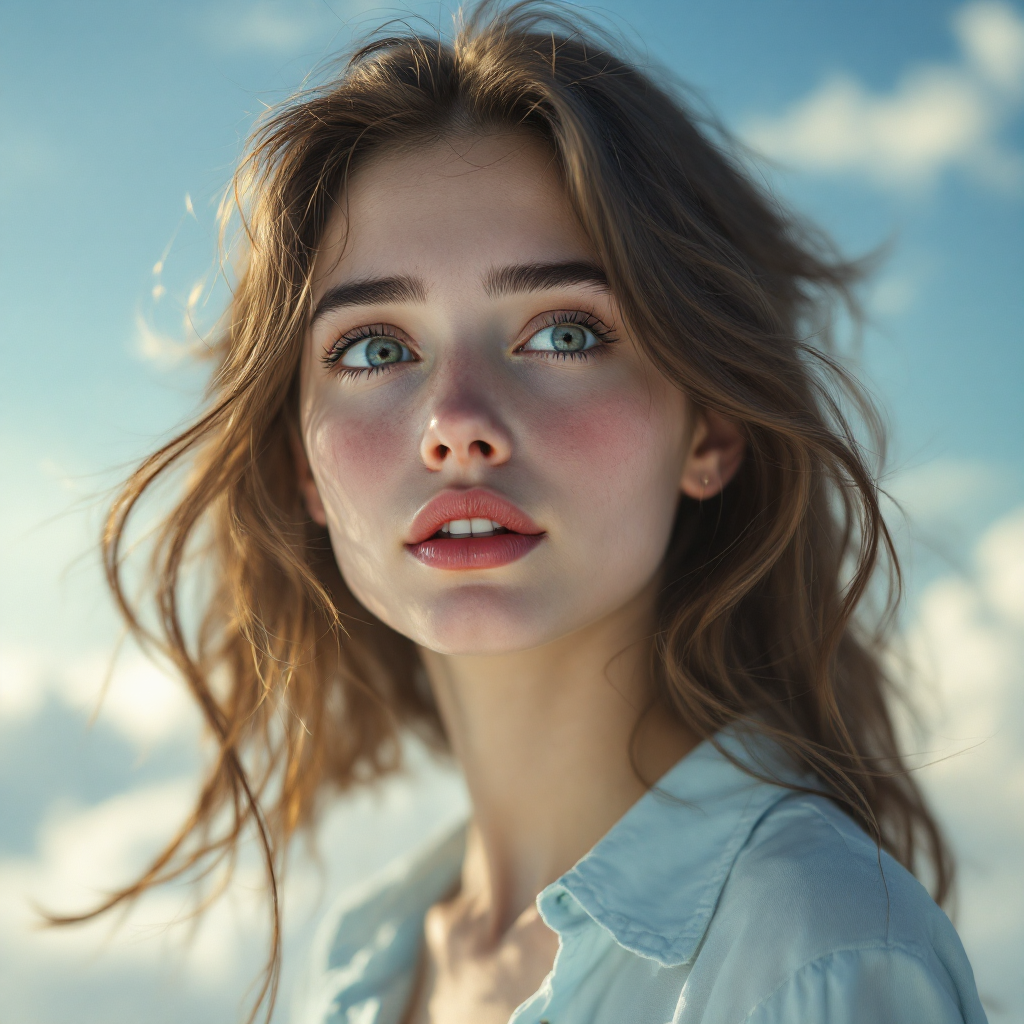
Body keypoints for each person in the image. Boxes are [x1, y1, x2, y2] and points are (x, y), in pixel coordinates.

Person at [92, 3, 986, 1022]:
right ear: (302, 462)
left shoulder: (811, 950)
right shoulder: (372, 957)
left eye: (562, 333)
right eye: (376, 348)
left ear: (710, 431)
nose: (456, 425)